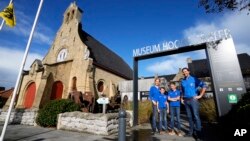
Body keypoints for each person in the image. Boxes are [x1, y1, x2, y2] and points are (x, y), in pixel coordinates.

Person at [181, 68, 206, 140]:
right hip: (186, 100)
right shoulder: (182, 81)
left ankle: (198, 134)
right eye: (183, 72)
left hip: (193, 100)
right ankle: (190, 132)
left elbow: (204, 85)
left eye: (186, 71)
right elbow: (182, 91)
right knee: (189, 117)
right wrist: (181, 98)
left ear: (188, 71)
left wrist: (200, 95)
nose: (185, 73)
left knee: (196, 116)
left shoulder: (194, 79)